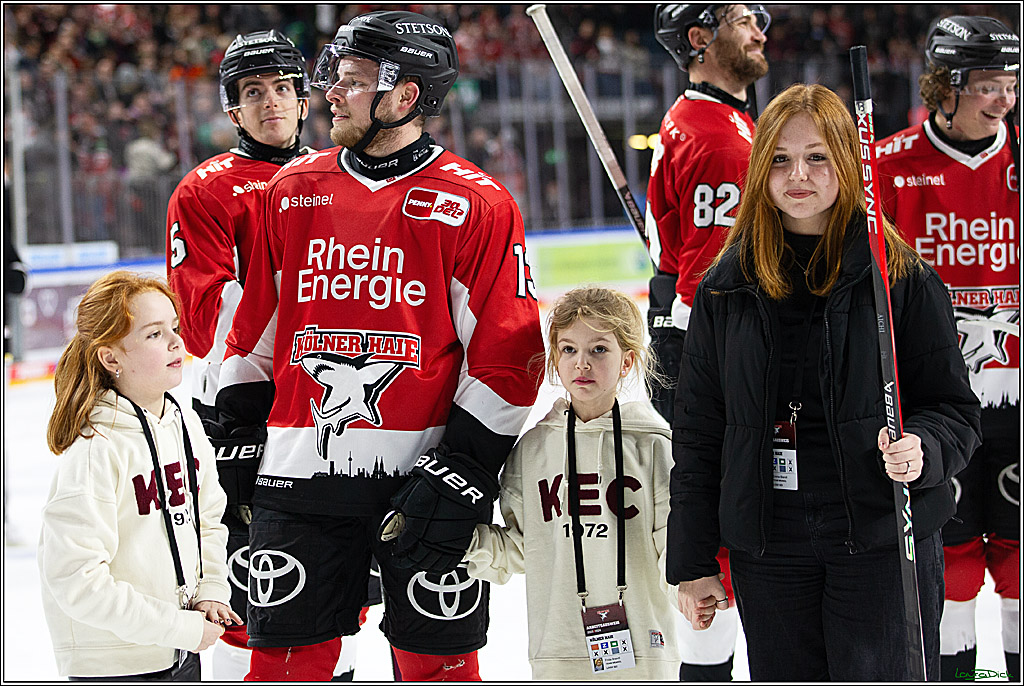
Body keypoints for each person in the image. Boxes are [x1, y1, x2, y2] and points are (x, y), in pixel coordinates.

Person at [210, 10, 543, 681]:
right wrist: (238, 430)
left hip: (422, 485)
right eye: (334, 76)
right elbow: (254, 330)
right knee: (283, 666)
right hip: (298, 477)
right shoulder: (290, 190)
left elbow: (508, 352)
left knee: (439, 668)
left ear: (405, 96)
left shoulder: (476, 202)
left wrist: (463, 470)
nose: (330, 90)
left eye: (354, 80)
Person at [667, 83, 982, 681]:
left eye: (817, 156)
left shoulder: (901, 279)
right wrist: (692, 559)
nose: (798, 175)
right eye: (780, 159)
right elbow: (700, 432)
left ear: (847, 161)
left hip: (883, 541)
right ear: (760, 170)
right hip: (770, 548)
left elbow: (953, 408)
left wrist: (926, 448)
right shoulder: (724, 287)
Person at [165, 30, 378, 680]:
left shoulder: (344, 180)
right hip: (241, 417)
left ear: (303, 96)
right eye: (253, 93)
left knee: (339, 590)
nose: (272, 103)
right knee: (246, 588)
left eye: (283, 88)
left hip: (327, 412)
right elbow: (203, 319)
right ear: (232, 111)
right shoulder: (204, 192)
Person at [875, 16, 1020, 682]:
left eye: (1010, 85)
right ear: (947, 85)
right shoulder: (889, 166)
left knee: (1019, 556)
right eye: (989, 85)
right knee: (947, 550)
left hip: (1016, 393)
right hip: (933, 403)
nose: (1004, 100)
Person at [463, 287, 680, 680]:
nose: (582, 363)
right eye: (568, 350)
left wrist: (692, 585)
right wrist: (461, 542)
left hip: (645, 653)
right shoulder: (532, 450)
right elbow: (520, 547)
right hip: (558, 652)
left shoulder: (653, 445)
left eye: (599, 350)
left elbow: (673, 544)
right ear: (554, 360)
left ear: (627, 361)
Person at [38, 271, 242, 680]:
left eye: (174, 327)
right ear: (111, 358)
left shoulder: (185, 425)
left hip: (179, 656)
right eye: (153, 334)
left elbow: (209, 519)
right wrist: (178, 626)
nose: (176, 342)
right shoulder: (97, 448)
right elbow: (76, 579)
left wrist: (211, 590)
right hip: (115, 667)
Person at [647, 4, 770, 679]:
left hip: (688, 336)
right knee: (728, 522)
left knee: (711, 520)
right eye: (744, 19)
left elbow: (676, 264)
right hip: (714, 350)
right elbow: (710, 274)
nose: (761, 31)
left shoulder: (711, 120)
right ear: (700, 37)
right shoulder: (721, 135)